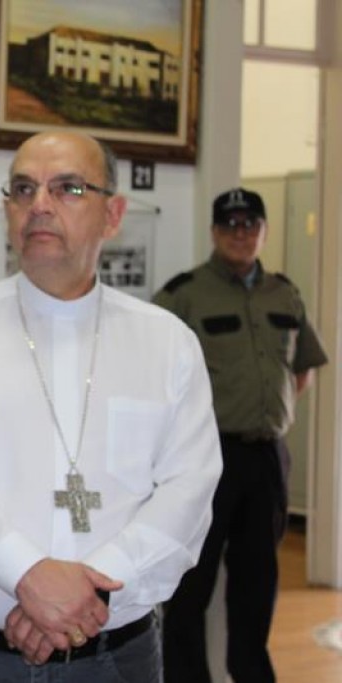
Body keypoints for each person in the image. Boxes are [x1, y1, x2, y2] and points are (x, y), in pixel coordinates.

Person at [0, 130, 222, 681]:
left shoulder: (166, 343)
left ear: (113, 215)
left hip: (114, 659)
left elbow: (189, 492)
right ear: (7, 210)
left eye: (67, 188)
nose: (38, 205)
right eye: (23, 188)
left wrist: (89, 591)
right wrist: (26, 573)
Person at [154, 187, 328, 683]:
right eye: (231, 225)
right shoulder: (184, 293)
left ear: (263, 230)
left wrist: (268, 411)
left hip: (267, 460)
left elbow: (302, 370)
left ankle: (252, 673)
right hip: (207, 459)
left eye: (250, 224)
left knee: (257, 583)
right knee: (192, 580)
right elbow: (152, 374)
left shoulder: (285, 293)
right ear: (214, 232)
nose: (241, 234)